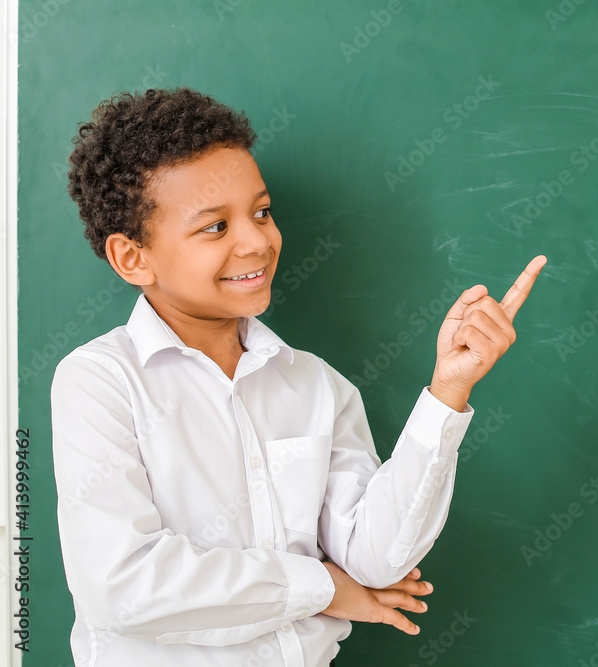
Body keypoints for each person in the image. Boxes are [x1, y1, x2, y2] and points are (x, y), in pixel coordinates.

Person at [51, 86, 546, 667]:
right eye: (215, 227)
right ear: (134, 258)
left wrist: (448, 390)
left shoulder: (315, 385)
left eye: (261, 212)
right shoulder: (100, 382)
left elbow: (375, 559)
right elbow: (126, 587)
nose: (258, 240)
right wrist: (325, 588)